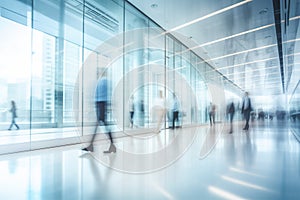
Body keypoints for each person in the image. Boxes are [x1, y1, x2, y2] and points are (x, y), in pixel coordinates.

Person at [82, 71, 116, 153]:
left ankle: (111, 145)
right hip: (101, 104)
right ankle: (93, 145)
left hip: (101, 103)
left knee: (101, 123)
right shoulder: (104, 81)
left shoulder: (103, 81)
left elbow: (100, 95)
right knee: (100, 124)